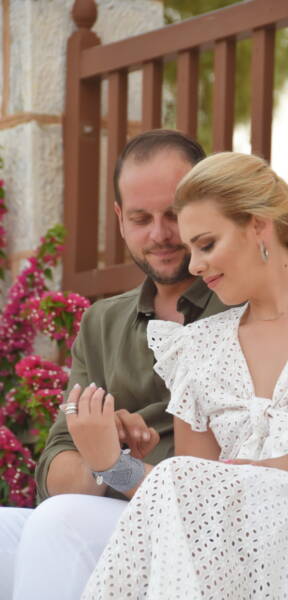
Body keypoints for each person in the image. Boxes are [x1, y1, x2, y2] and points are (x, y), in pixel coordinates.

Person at [75, 152, 288, 599]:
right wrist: (112, 465)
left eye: (206, 244)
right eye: (191, 250)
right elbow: (194, 498)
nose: (194, 266)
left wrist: (269, 471)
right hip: (244, 560)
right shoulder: (196, 348)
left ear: (258, 225)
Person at [0, 130, 229, 600]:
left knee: (61, 522)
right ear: (121, 220)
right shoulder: (102, 321)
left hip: (197, 521)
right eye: (142, 219)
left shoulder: (239, 305)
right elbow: (56, 469)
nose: (160, 235)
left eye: (174, 214)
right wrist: (101, 451)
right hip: (114, 502)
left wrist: (113, 465)